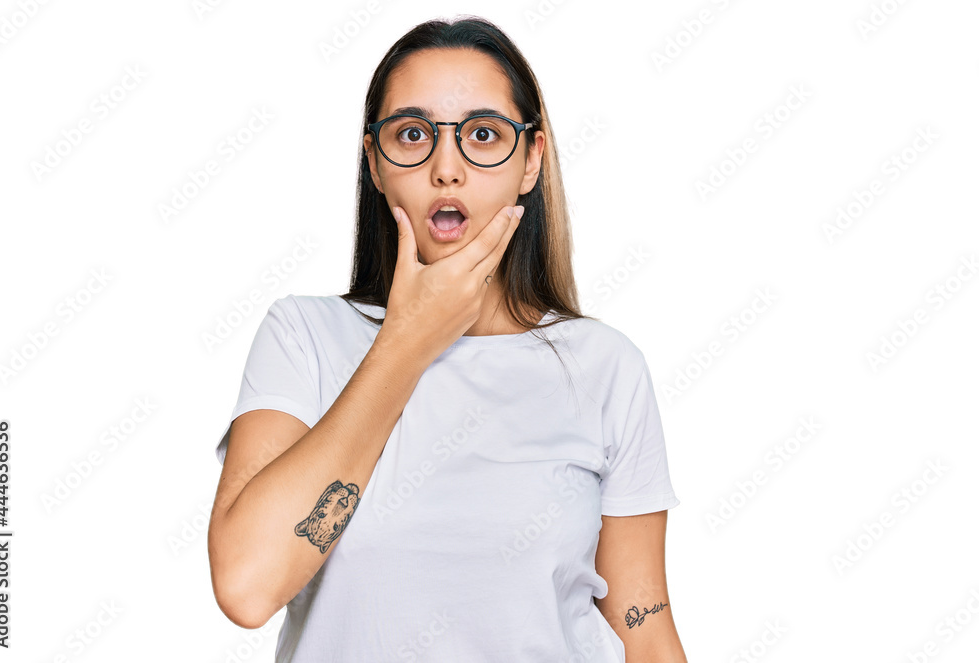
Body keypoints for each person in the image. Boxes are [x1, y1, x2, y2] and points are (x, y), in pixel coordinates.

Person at [208, 15, 687, 663]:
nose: (447, 168)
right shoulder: (303, 338)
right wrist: (406, 341)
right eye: (412, 134)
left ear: (530, 161)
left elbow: (645, 627)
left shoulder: (605, 367)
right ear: (374, 163)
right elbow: (247, 584)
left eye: (483, 135)